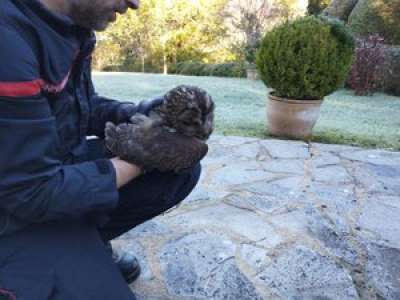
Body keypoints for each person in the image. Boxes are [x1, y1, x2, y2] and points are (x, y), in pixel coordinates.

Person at [0, 0, 202, 299]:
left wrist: (146, 116)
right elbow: (30, 191)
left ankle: (83, 246)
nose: (134, 3)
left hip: (44, 178)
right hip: (14, 211)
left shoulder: (72, 27)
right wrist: (141, 157)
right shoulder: (8, 39)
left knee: (180, 171)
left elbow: (82, 107)